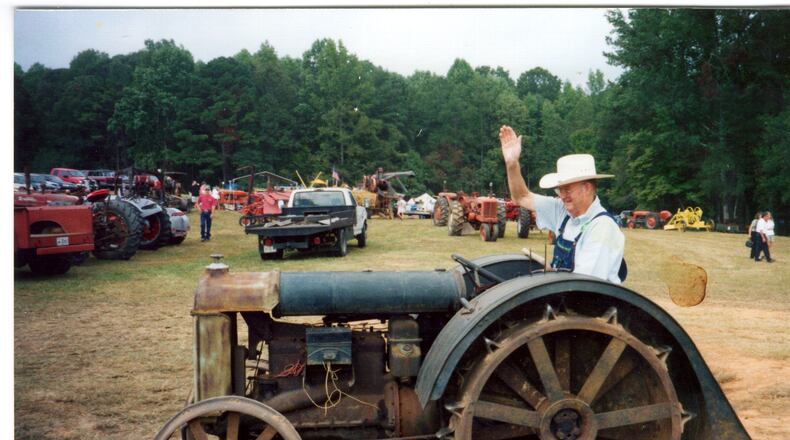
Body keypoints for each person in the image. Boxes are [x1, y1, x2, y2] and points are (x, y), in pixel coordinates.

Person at [500, 125, 626, 283]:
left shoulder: (602, 228)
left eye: (567, 190)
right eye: (560, 190)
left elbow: (584, 286)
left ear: (586, 188)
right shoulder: (563, 211)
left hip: (588, 304)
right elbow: (521, 196)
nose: (562, 196)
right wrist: (512, 163)